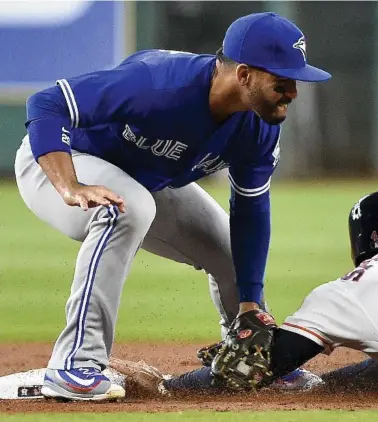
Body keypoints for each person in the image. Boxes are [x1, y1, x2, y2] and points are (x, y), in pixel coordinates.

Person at [13, 12, 331, 401]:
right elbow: (46, 104)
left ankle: (252, 358)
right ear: (244, 75)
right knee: (127, 207)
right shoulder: (156, 82)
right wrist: (69, 184)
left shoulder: (259, 126)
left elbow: (250, 211)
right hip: (60, 160)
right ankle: (74, 364)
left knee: (230, 253)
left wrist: (249, 299)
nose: (293, 92)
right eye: (282, 81)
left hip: (144, 180)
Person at [109, 191, 378, 395]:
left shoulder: (352, 288)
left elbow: (249, 368)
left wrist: (169, 385)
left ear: (359, 241)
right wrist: (324, 386)